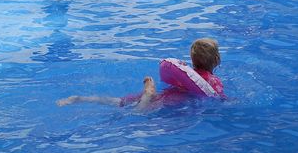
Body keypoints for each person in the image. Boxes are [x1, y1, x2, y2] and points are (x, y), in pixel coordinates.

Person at [56, 38, 225, 109]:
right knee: (139, 114)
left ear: (192, 59)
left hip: (165, 94)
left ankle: (79, 98)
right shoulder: (213, 81)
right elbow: (217, 97)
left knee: (120, 102)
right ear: (216, 60)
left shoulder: (185, 74)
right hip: (174, 102)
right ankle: (147, 95)